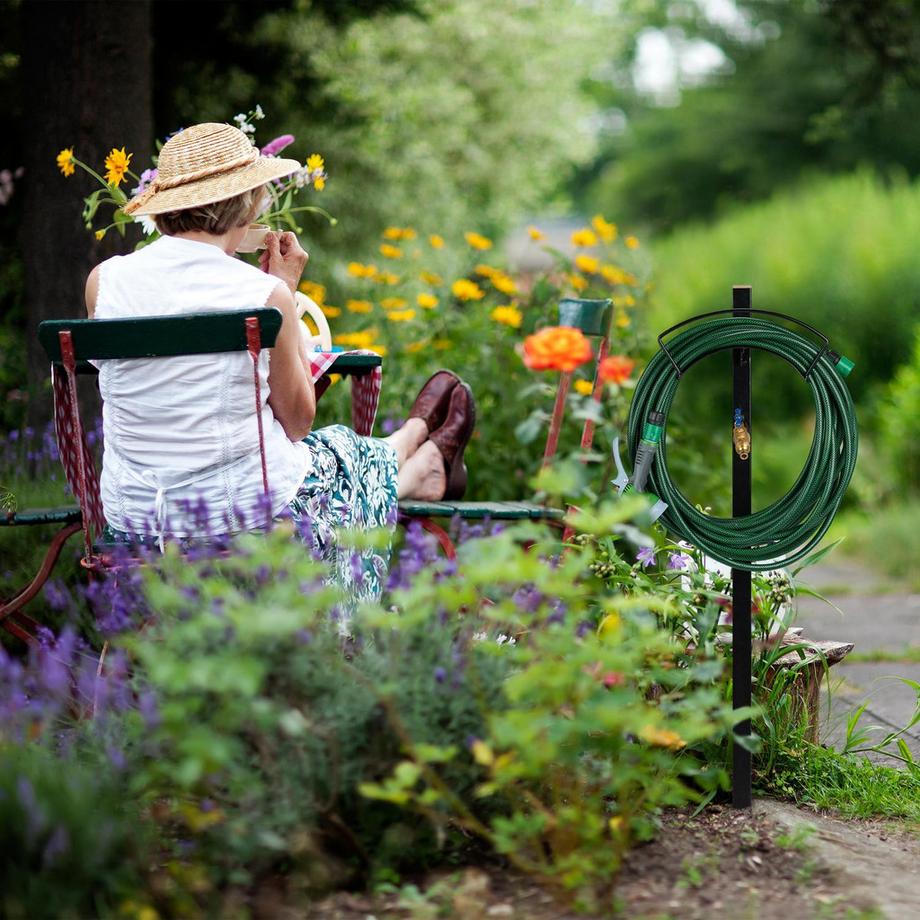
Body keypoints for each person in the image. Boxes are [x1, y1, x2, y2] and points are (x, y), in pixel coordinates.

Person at [84, 122, 475, 601]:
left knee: (336, 455)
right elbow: (296, 423)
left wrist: (275, 303)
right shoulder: (262, 294)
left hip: (136, 517)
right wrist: (283, 294)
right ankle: (412, 457)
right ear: (246, 205)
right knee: (342, 450)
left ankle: (414, 451)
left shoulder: (104, 281)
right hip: (239, 514)